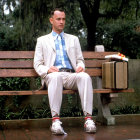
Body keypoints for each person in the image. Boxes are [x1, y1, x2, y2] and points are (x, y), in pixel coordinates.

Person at [34, 8, 96, 135]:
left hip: (70, 75)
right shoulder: (42, 40)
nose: (61, 22)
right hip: (52, 76)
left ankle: (88, 120)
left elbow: (80, 60)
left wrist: (80, 66)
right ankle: (55, 122)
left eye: (63, 19)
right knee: (56, 76)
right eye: (58, 19)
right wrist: (47, 69)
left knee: (84, 77)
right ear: (51, 20)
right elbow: (37, 64)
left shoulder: (73, 39)